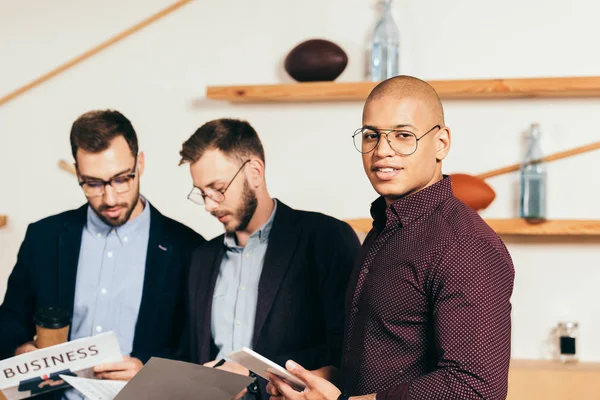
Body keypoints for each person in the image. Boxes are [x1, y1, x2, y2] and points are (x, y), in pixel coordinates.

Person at [266, 75, 516, 400]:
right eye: (372, 135)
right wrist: (319, 382)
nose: (382, 151)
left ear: (441, 143)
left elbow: (476, 387)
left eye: (403, 135)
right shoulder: (385, 228)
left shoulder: (465, 245)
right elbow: (385, 357)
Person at [0, 110, 205, 399]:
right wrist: (24, 353)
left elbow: (196, 352)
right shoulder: (43, 237)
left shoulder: (188, 248)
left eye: (122, 179)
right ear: (77, 172)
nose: (109, 198)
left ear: (140, 163)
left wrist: (147, 371)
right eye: (93, 183)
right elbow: (8, 322)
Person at [176, 118, 361, 399]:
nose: (209, 205)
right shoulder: (200, 259)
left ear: (255, 172)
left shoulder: (326, 238)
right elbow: (191, 353)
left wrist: (252, 377)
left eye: (218, 188)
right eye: (202, 193)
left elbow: (347, 350)